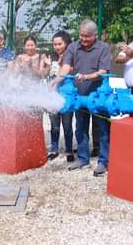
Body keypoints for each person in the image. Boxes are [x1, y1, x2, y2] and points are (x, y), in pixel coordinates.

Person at [52, 19, 111, 176]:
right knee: (80, 128)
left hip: (99, 96)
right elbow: (66, 66)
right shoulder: (73, 46)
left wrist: (86, 76)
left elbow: (103, 71)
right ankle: (83, 158)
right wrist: (56, 80)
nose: (83, 39)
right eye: (81, 35)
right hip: (79, 95)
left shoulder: (103, 48)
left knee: (102, 129)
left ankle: (104, 161)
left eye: (87, 36)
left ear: (95, 35)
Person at [45, 31, 74, 163]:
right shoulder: (51, 57)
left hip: (66, 95)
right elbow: (47, 73)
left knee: (67, 125)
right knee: (54, 125)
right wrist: (47, 65)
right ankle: (54, 149)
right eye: (54, 44)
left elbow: (69, 72)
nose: (57, 47)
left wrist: (62, 63)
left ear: (66, 43)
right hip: (52, 95)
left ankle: (69, 150)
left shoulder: (71, 56)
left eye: (59, 44)